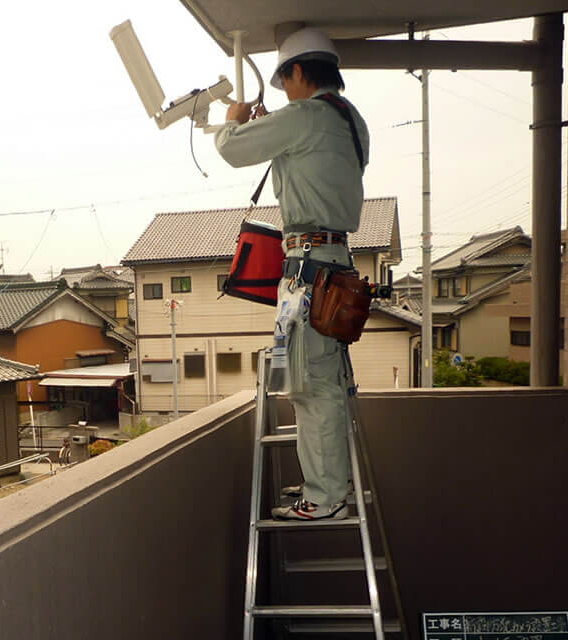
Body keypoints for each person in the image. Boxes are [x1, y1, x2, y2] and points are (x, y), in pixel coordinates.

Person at [215, 28, 369, 520]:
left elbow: (233, 150)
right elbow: (309, 162)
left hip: (312, 269)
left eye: (285, 82)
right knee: (325, 381)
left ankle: (324, 498)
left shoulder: (304, 116)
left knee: (310, 385)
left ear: (298, 72)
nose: (284, 92)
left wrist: (232, 121)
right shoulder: (349, 120)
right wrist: (276, 129)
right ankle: (332, 486)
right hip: (336, 263)